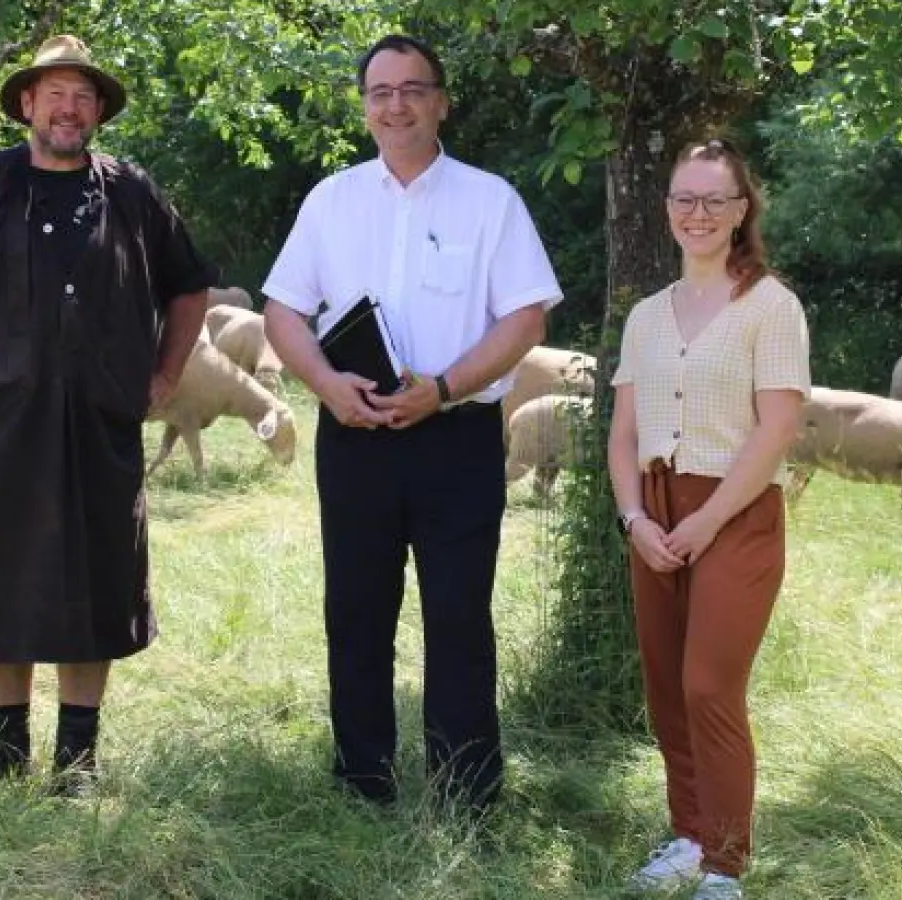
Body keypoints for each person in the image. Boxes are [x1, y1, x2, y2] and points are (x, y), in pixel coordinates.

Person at [0, 35, 216, 789]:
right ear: (27, 104)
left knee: (92, 578)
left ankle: (77, 761)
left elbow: (189, 284)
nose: (69, 108)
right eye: (54, 94)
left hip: (95, 422)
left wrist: (166, 371)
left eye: (83, 96)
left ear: (97, 110)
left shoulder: (131, 191)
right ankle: (5, 755)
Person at [261, 34, 562, 812]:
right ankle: (364, 782)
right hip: (353, 433)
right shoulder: (331, 200)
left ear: (441, 102)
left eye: (411, 90)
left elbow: (525, 316)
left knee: (459, 616)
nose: (395, 105)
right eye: (379, 92)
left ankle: (466, 792)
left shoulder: (490, 200)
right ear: (364, 107)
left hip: (455, 438)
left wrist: (449, 387)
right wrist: (325, 384)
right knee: (355, 612)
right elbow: (283, 309)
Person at [606, 139, 810, 899]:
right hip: (653, 512)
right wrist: (633, 518)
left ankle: (724, 867)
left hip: (736, 510)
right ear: (666, 210)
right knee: (664, 686)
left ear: (740, 210)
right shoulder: (647, 317)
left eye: (713, 200)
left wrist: (706, 523)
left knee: (708, 686)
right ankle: (688, 835)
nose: (698, 213)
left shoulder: (771, 307)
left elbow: (777, 430)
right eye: (683, 199)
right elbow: (624, 434)